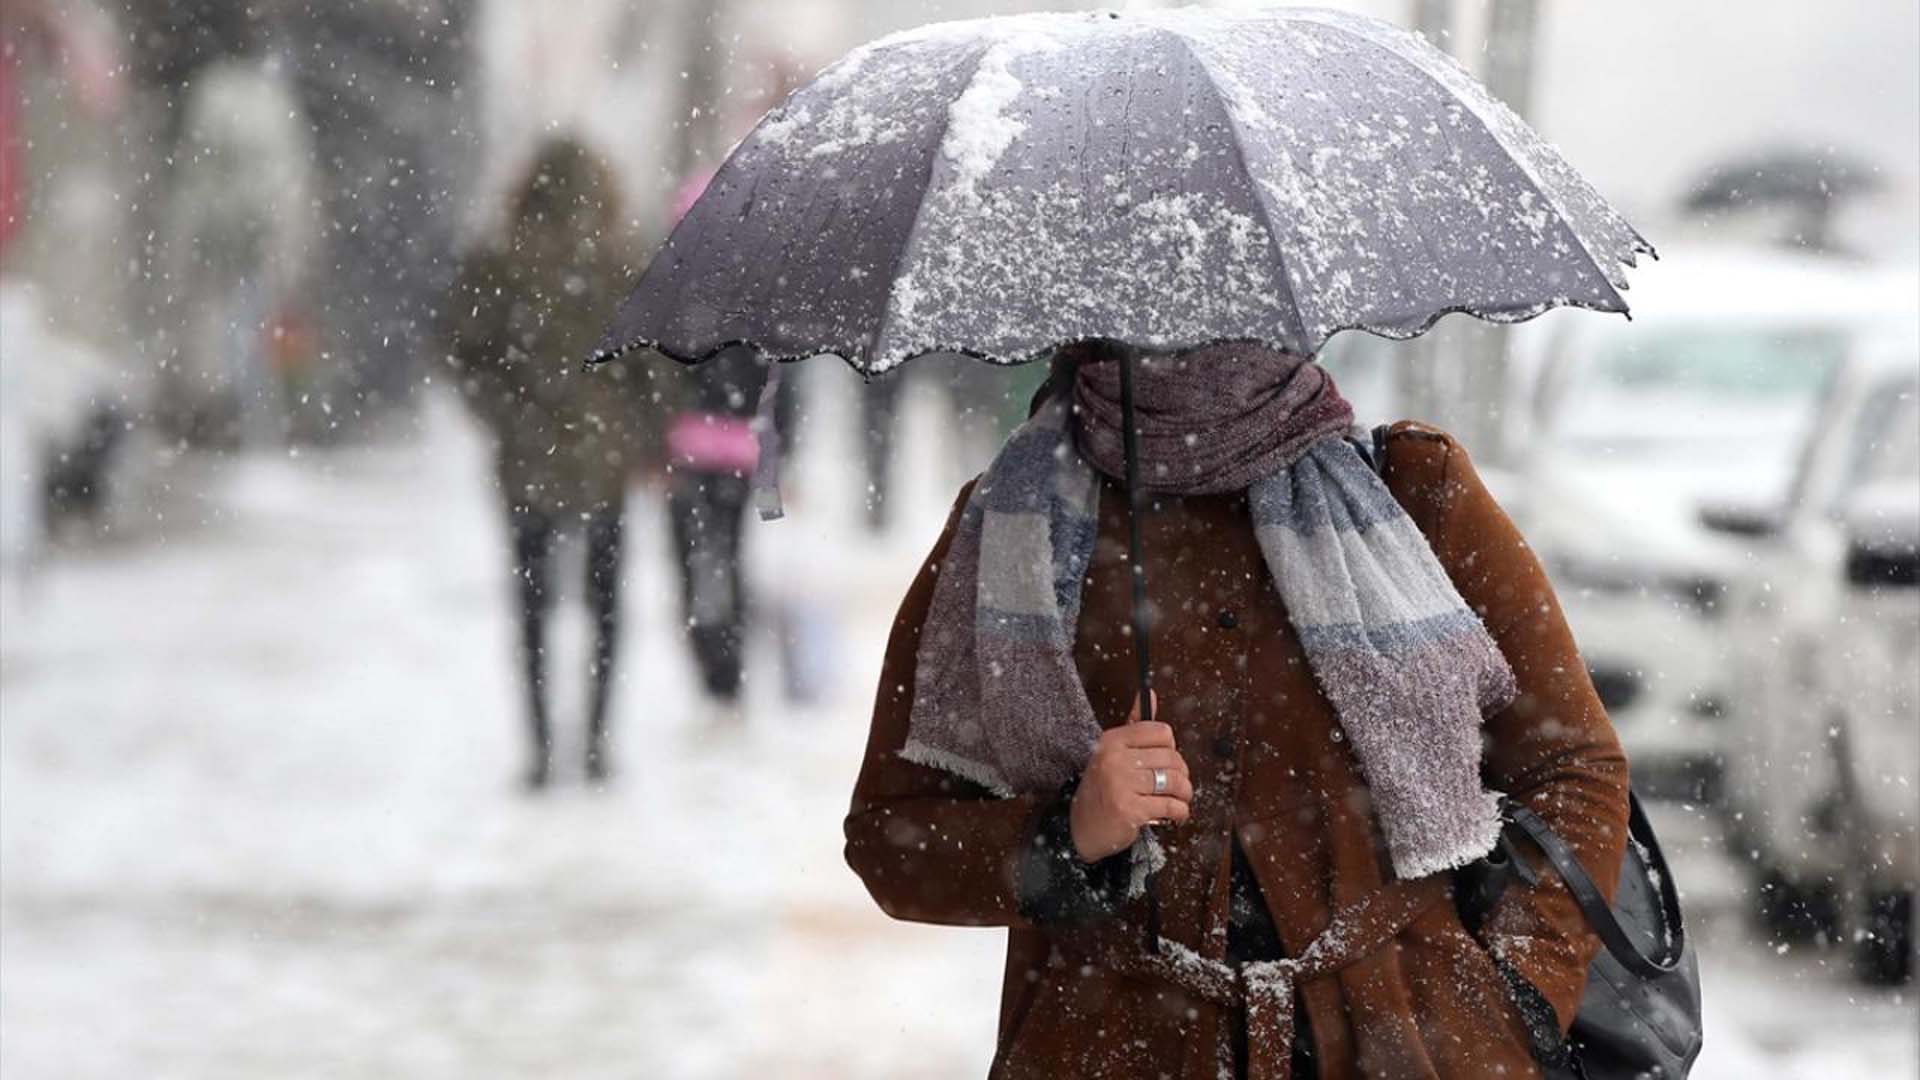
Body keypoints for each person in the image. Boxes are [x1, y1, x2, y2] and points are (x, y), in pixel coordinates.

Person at [844, 341, 1631, 1078]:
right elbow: (893, 836)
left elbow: (1572, 765)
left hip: (1402, 1042)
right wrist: (1067, 836)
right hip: (1108, 1046)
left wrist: (1512, 997)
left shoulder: (1413, 490)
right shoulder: (1011, 525)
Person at [443, 137, 666, 790]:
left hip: (526, 460)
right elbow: (657, 365)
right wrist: (642, 434)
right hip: (605, 460)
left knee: (533, 606)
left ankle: (541, 747)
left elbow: (461, 351)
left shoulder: (503, 259)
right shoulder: (622, 259)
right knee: (605, 604)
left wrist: (506, 414)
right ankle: (595, 741)